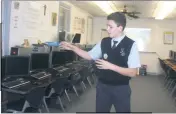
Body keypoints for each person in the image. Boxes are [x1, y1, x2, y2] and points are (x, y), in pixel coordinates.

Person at [60, 12, 141, 113]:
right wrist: (73, 48)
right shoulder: (104, 41)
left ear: (120, 28)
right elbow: (89, 55)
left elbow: (133, 72)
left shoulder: (131, 44)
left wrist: (110, 66)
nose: (107, 29)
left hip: (121, 89)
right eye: (107, 26)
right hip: (103, 87)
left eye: (110, 27)